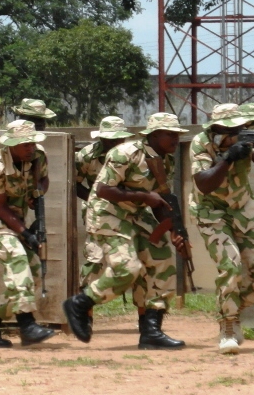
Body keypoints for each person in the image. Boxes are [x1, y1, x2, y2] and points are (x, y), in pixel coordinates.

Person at [63, 113, 189, 349]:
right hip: (108, 212)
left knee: (163, 261)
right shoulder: (126, 153)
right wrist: (143, 196)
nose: (175, 140)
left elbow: (160, 198)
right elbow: (102, 190)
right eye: (170, 135)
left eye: (177, 135)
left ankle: (151, 330)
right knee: (127, 268)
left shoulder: (167, 160)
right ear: (153, 135)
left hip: (136, 214)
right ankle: (80, 303)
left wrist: (173, 230)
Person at [189, 102, 254, 354]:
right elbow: (204, 184)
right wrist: (228, 158)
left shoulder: (247, 136)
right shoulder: (201, 142)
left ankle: (234, 311)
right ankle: (228, 327)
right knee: (230, 265)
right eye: (232, 127)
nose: (240, 129)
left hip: (243, 209)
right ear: (218, 127)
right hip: (211, 212)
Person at [0, 120, 57, 348]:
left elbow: (44, 179)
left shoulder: (37, 157)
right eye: (24, 144)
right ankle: (26, 324)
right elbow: (0, 207)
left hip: (16, 218)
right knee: (18, 258)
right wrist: (26, 233)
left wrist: (38, 192)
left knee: (33, 273)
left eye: (32, 143)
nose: (30, 147)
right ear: (11, 145)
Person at [75, 116, 134, 292]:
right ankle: (84, 310)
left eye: (118, 139)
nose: (114, 143)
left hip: (130, 211)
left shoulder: (134, 155)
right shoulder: (87, 155)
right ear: (101, 138)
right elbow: (75, 184)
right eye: (109, 139)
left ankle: (145, 316)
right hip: (98, 214)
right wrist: (95, 200)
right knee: (95, 259)